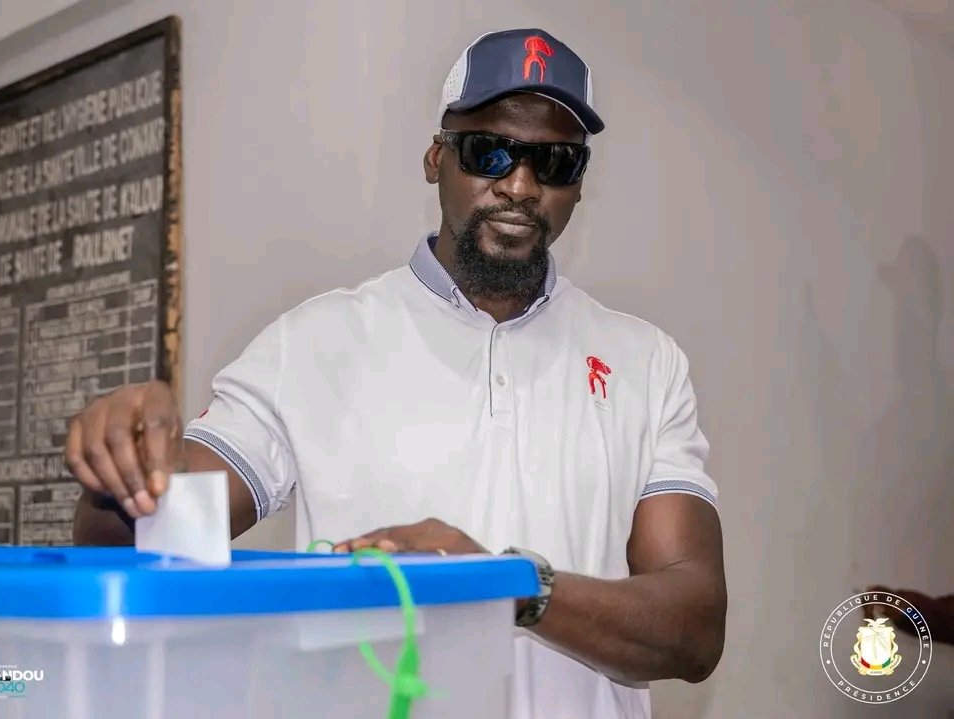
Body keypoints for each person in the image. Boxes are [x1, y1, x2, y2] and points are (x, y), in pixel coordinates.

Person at [67, 28, 727, 718]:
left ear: (579, 185)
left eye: (554, 162)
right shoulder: (314, 344)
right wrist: (127, 462)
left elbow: (694, 628)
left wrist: (511, 585)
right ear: (437, 158)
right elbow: (134, 540)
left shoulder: (645, 363)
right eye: (489, 152)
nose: (520, 185)